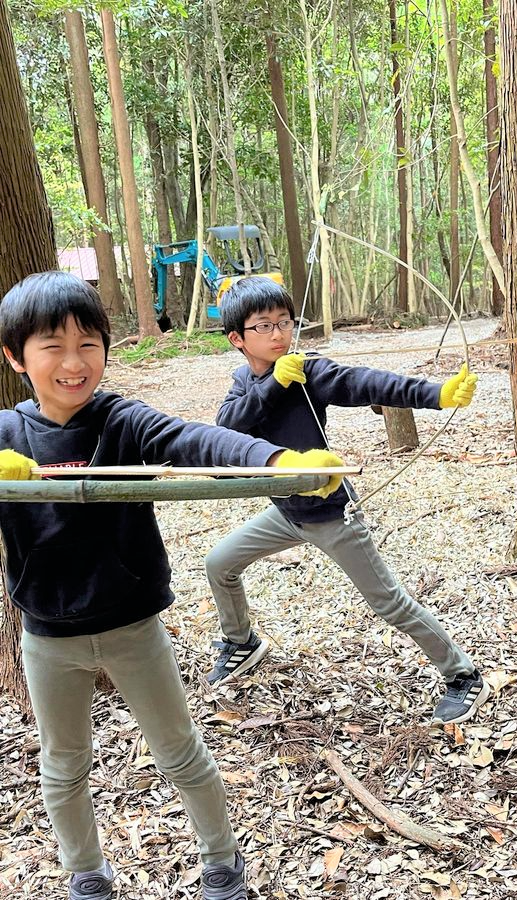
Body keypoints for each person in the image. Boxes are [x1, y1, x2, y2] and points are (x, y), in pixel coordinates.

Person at [0, 271, 343, 900]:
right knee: (63, 766)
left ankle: (222, 862)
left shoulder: (122, 420)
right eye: (52, 346)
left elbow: (195, 440)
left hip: (134, 627)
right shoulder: (7, 434)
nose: (74, 363)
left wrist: (278, 462)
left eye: (89, 343)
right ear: (16, 357)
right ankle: (86, 873)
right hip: (48, 638)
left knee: (180, 752)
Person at [204, 276, 490, 726]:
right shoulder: (246, 380)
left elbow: (367, 383)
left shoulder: (309, 371)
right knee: (219, 562)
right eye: (264, 326)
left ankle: (464, 675)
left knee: (389, 603)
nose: (279, 333)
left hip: (329, 513)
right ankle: (241, 643)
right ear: (237, 338)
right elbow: (227, 427)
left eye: (284, 322)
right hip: (286, 511)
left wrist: (435, 394)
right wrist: (271, 385)